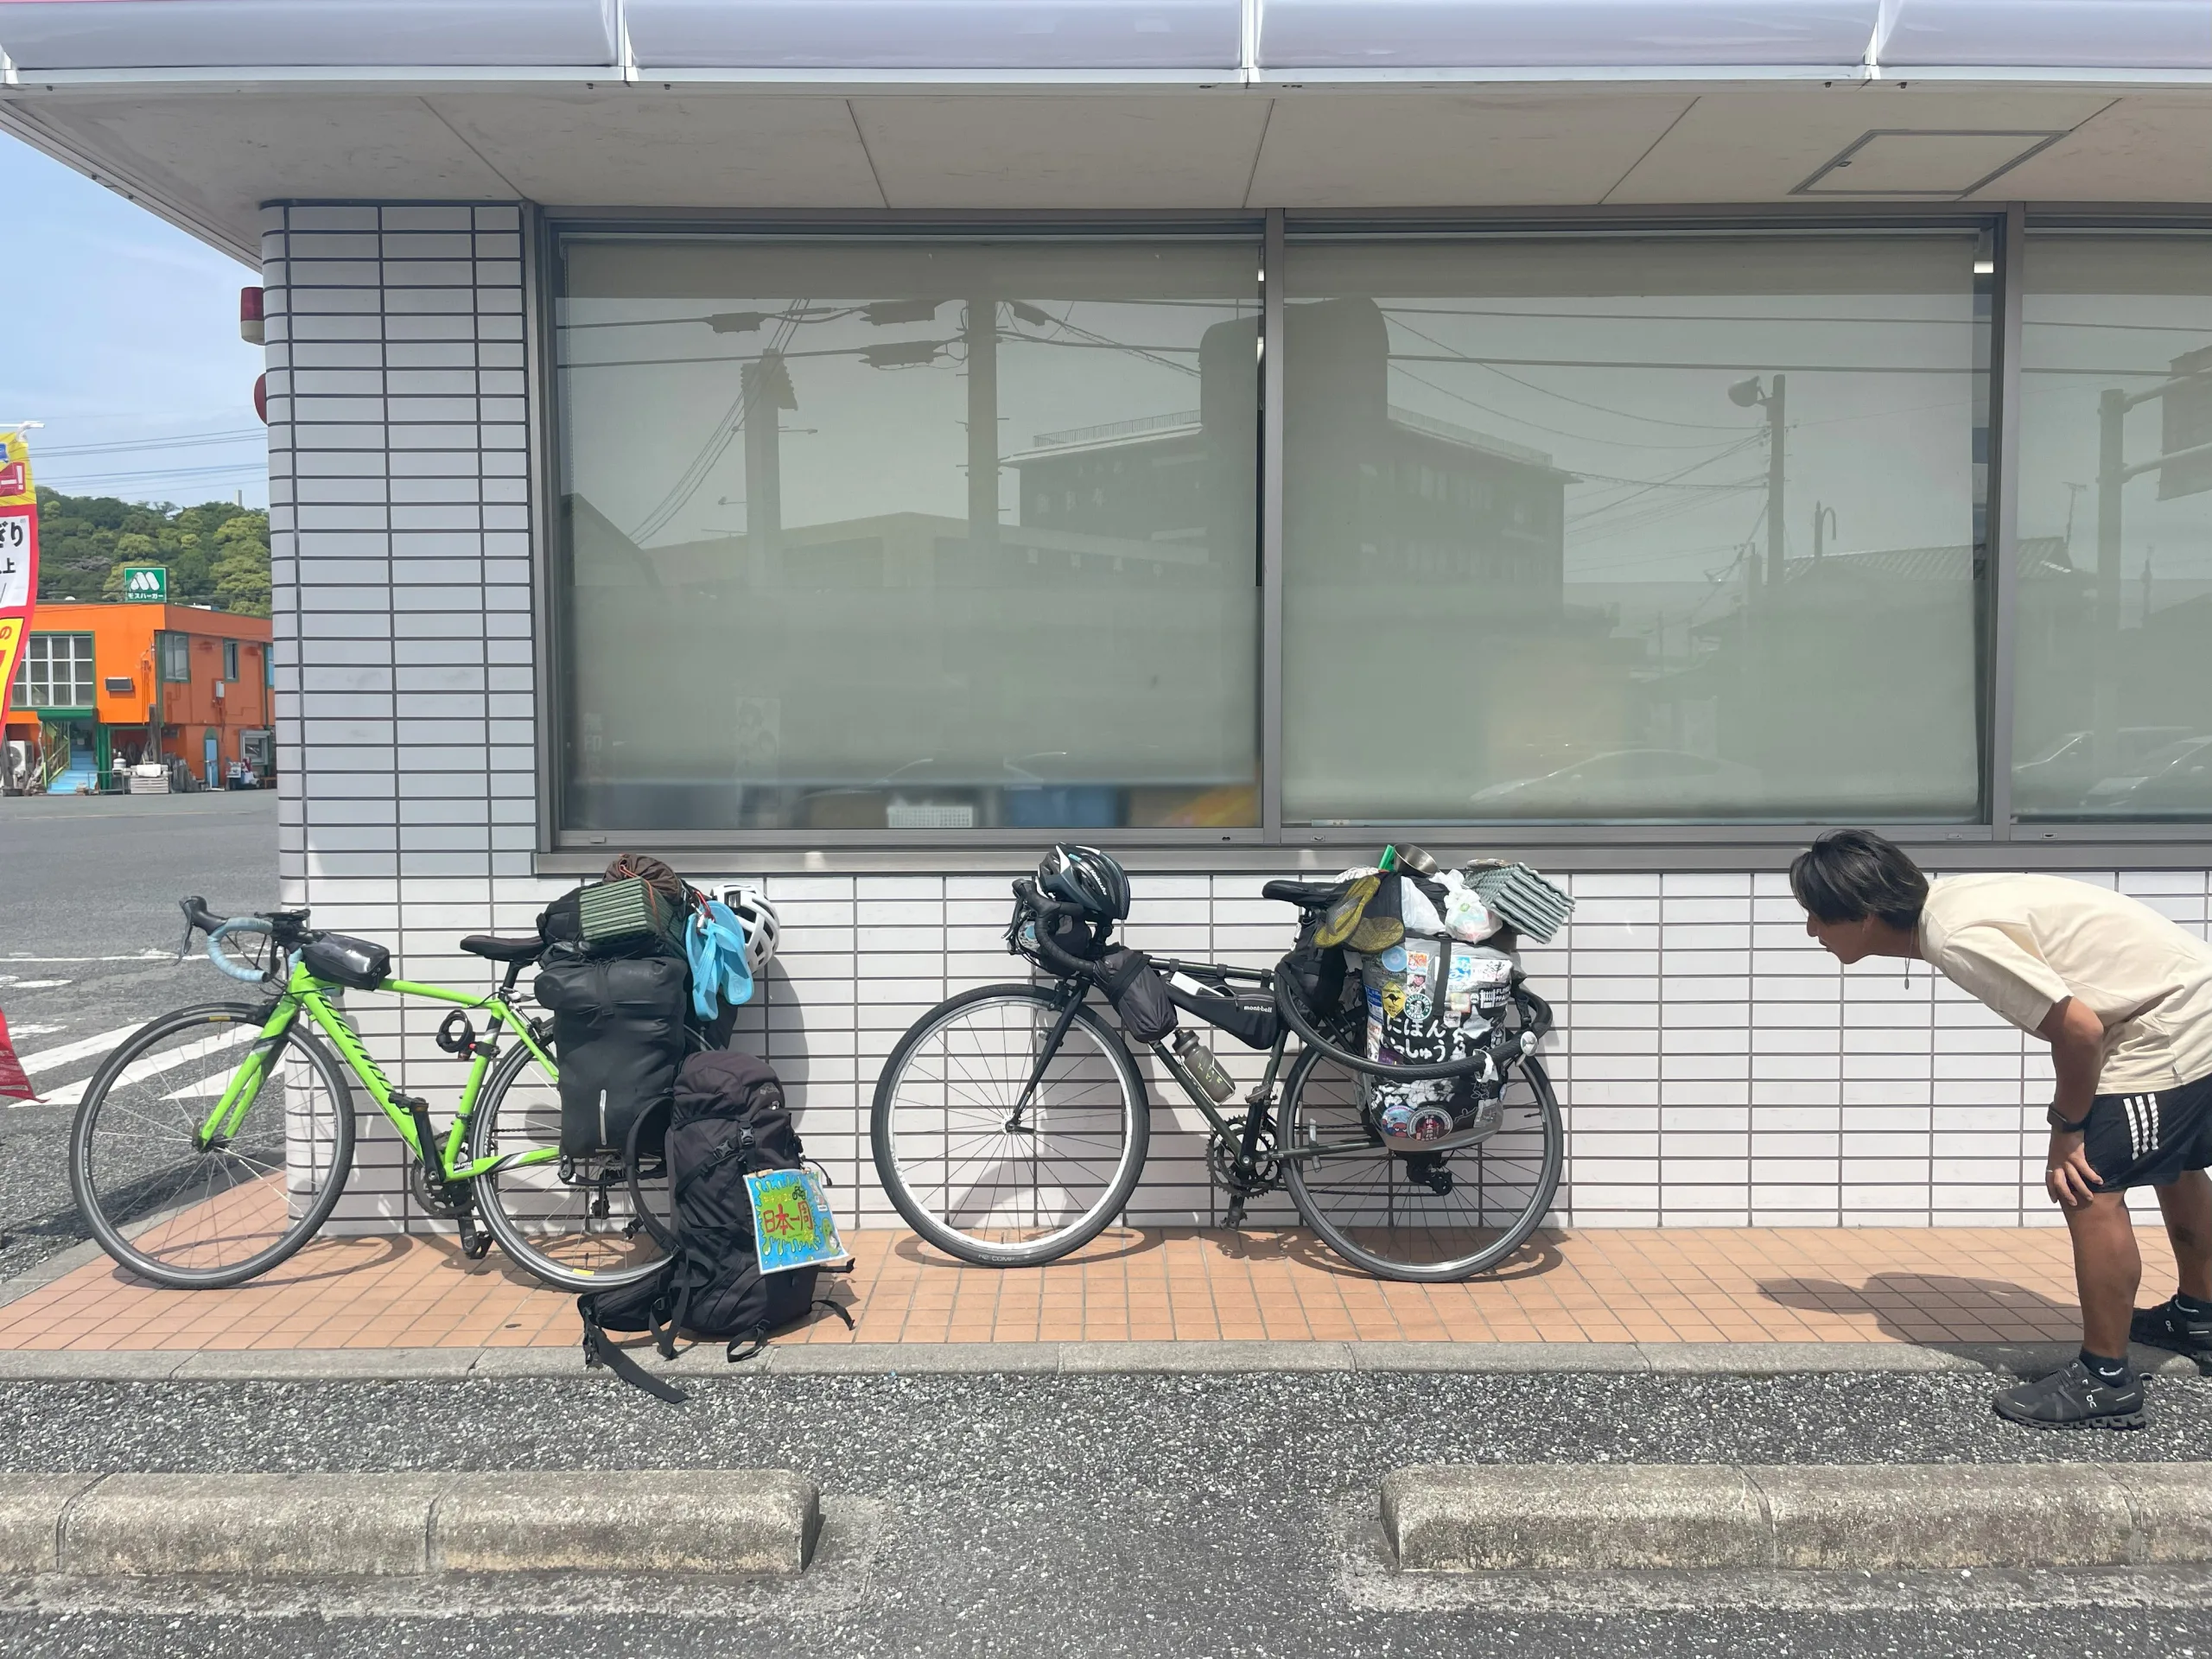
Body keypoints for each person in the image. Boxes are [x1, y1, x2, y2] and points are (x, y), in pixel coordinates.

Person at [1790, 829, 2212, 1429]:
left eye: (1816, 916)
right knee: (2178, 1162)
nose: (1811, 931)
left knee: (2086, 1184)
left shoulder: (1956, 935)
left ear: (1863, 916)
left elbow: (2081, 1031)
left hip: (2167, 1022)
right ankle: (2199, 1317)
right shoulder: (1946, 904)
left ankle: (2106, 1379)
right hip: (2187, 1001)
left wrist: (2067, 1128)